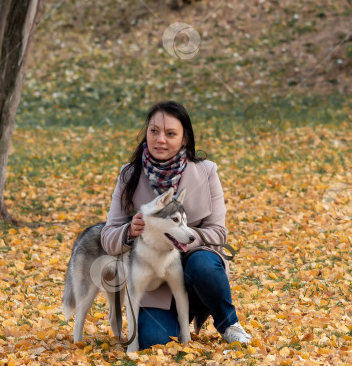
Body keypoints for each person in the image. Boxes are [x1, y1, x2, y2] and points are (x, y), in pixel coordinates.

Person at [100, 100, 252, 350]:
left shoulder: (206, 172)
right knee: (153, 341)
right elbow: (108, 236)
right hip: (154, 279)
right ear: (146, 133)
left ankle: (228, 323)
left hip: (196, 266)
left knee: (204, 264)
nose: (160, 139)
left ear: (184, 138)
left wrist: (182, 235)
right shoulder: (129, 176)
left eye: (170, 134)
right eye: (154, 131)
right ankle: (174, 316)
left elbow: (218, 232)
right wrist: (129, 231)